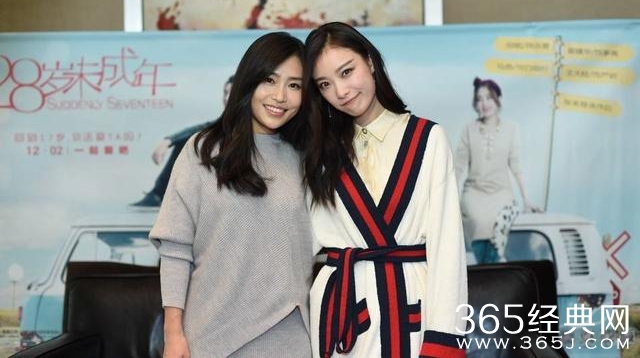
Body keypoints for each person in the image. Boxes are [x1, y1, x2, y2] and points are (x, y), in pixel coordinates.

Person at [303, 22, 467, 358]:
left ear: (370, 60)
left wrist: (444, 338)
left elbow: (447, 246)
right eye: (325, 84)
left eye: (347, 72)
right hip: (342, 315)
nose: (341, 91)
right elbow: (297, 248)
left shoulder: (427, 139)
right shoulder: (317, 153)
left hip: (412, 308)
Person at [149, 32, 314, 358]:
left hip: (291, 338)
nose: (280, 96)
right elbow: (175, 249)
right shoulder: (202, 149)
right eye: (270, 80)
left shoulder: (306, 157)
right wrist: (173, 334)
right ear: (248, 80)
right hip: (211, 339)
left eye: (294, 85)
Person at [455, 77, 543, 264]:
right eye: (479, 99)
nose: (484, 103)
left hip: (501, 193)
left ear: (498, 100)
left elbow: (516, 165)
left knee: (499, 220)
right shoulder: (468, 130)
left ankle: (489, 269)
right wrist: (449, 198)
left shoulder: (512, 129)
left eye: (489, 98)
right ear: (475, 104)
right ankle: (489, 268)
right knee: (478, 220)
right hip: (474, 194)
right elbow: (458, 167)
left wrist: (526, 200)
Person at [130, 75, 235, 208]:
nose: (226, 98)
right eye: (225, 93)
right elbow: (203, 128)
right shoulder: (226, 122)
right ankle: (158, 194)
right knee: (186, 141)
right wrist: (169, 141)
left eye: (232, 93)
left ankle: (161, 195)